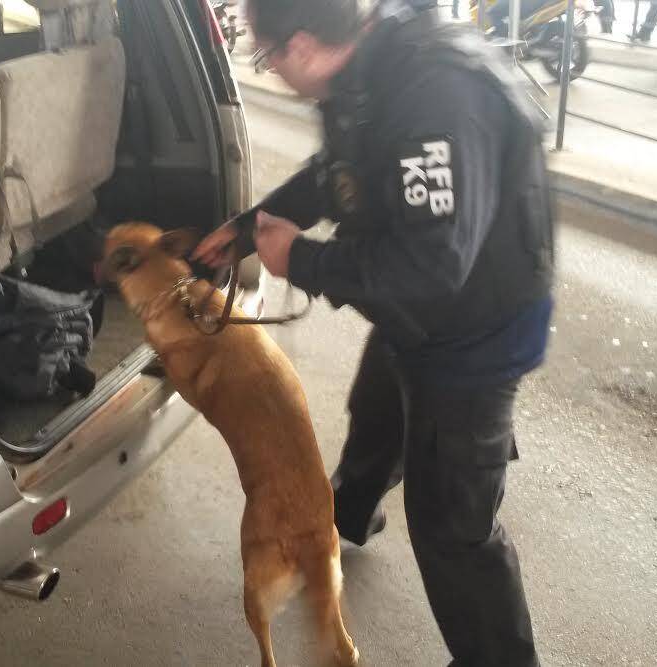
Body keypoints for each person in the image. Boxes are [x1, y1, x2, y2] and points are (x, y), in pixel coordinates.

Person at [191, 0, 555, 664]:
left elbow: (431, 264)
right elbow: (341, 175)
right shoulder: (366, 69)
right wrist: (253, 225)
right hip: (421, 319)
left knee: (452, 528)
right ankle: (344, 517)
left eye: (267, 56)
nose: (269, 70)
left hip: (474, 334)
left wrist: (300, 258)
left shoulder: (435, 97)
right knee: (378, 411)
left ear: (301, 45)